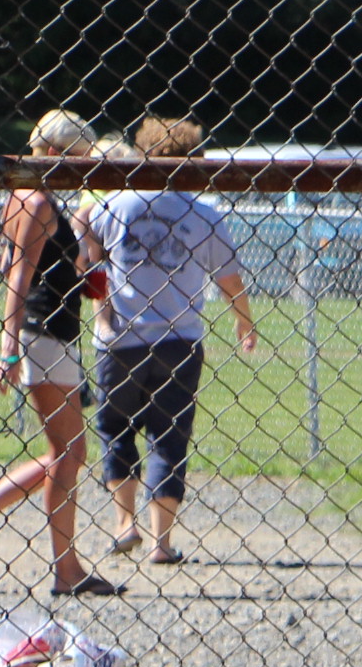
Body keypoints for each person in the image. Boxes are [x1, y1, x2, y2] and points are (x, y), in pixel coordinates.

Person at [0, 110, 119, 597]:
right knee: (69, 452)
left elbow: (26, 265)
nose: (81, 169)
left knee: (65, 452)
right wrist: (8, 347)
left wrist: (80, 276)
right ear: (52, 153)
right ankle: (65, 569)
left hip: (50, 331)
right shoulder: (38, 200)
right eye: (76, 158)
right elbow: (18, 274)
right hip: (43, 334)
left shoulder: (27, 195)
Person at [88, 115, 256, 565]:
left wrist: (101, 310)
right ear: (192, 161)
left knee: (116, 429)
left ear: (143, 154)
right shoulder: (203, 213)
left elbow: (90, 258)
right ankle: (161, 543)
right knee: (169, 435)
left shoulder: (115, 205)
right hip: (179, 340)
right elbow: (229, 279)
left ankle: (125, 524)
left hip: (120, 338)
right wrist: (244, 321)